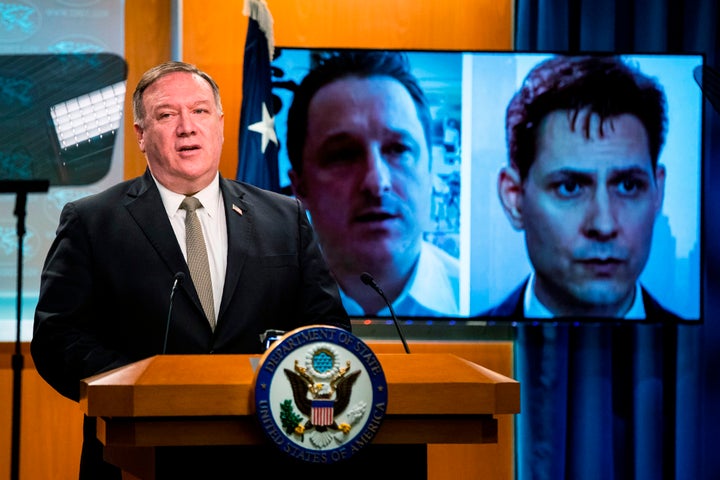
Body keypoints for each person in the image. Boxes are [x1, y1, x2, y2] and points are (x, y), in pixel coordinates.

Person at [30, 61, 351, 479]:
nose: (187, 126)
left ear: (219, 125)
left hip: (264, 451)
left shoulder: (284, 216)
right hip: (139, 454)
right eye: (166, 114)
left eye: (199, 111)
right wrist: (141, 385)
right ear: (141, 136)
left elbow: (327, 329)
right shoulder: (92, 222)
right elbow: (57, 339)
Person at [489, 54, 680, 320]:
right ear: (514, 198)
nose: (604, 226)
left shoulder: (704, 353)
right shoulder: (460, 351)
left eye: (628, 186)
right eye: (569, 188)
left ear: (657, 192)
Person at [286, 50, 460, 318]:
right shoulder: (260, 308)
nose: (377, 183)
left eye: (398, 149)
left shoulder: (484, 303)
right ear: (300, 188)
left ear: (429, 171)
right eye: (343, 154)